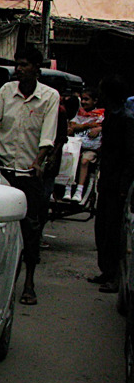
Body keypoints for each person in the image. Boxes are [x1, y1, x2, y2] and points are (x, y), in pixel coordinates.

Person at [0, 46, 60, 306]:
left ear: (37, 69)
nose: (19, 69)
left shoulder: (50, 97)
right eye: (18, 64)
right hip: (3, 171)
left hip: (29, 174)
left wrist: (38, 162)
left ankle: (28, 282)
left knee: (31, 229)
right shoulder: (6, 92)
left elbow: (47, 136)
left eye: (25, 64)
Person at [88, 76, 134, 293]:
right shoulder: (111, 117)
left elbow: (129, 156)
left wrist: (124, 185)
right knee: (103, 227)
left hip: (117, 184)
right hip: (107, 180)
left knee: (113, 231)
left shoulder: (126, 119)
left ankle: (114, 275)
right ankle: (106, 271)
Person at [65, 88, 104, 202]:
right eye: (82, 99)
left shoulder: (101, 114)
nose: (83, 102)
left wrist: (99, 128)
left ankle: (79, 191)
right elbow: (72, 126)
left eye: (87, 99)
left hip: (90, 148)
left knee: (84, 160)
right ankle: (68, 188)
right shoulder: (78, 113)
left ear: (95, 101)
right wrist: (88, 125)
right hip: (75, 146)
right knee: (70, 157)